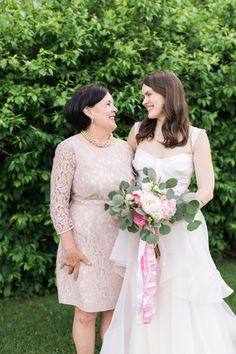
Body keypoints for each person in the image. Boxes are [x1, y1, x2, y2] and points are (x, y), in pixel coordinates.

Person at [100, 71, 236, 354]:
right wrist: (137, 206)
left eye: (149, 94)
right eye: (143, 96)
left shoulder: (197, 136)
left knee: (182, 292)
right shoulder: (138, 131)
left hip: (181, 227)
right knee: (145, 288)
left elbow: (206, 190)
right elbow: (126, 180)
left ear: (168, 93)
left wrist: (171, 211)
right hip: (142, 227)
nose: (144, 101)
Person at [50, 84, 133, 354]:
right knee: (86, 312)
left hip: (119, 240)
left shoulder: (124, 149)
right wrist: (70, 248)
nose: (115, 109)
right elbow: (58, 203)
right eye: (108, 104)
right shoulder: (69, 148)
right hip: (83, 241)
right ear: (88, 111)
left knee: (112, 311)